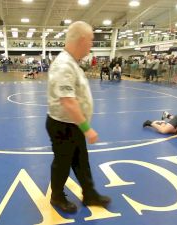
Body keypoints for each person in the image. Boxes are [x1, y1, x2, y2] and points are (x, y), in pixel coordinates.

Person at [46, 21, 111, 213]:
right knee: (63, 163)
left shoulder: (72, 63)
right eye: (91, 40)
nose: (92, 44)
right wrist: (87, 128)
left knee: (81, 161)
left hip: (72, 125)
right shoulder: (64, 65)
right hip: (63, 125)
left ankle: (89, 194)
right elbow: (68, 101)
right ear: (82, 40)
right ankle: (56, 196)